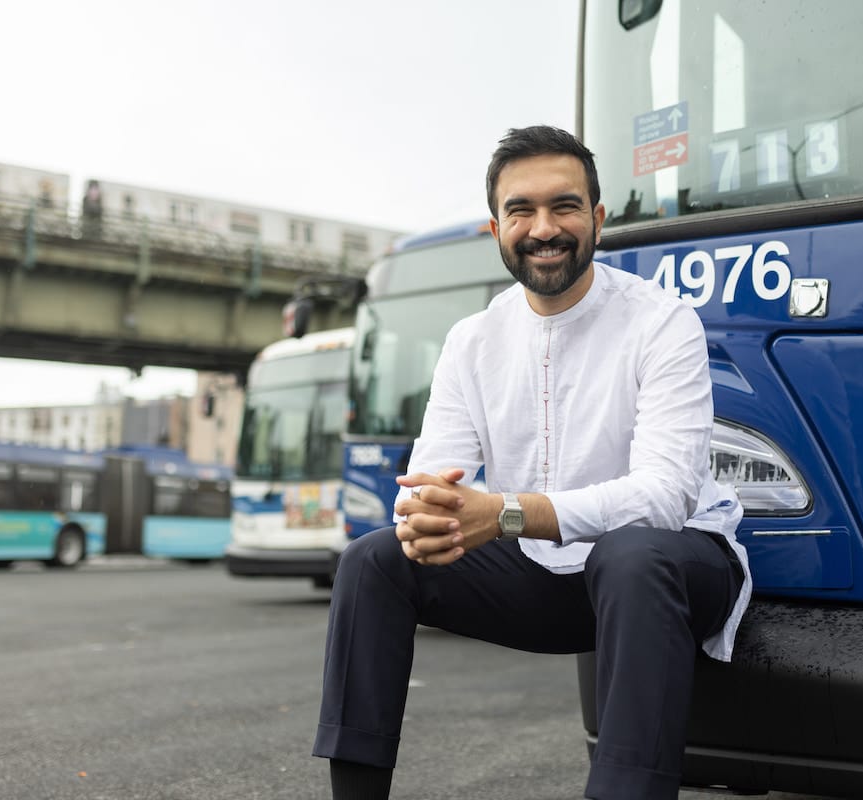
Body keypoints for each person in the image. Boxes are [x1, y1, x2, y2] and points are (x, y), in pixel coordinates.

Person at [313, 125, 751, 800]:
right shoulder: (472, 340)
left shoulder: (663, 322)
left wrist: (506, 514)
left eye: (563, 206)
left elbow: (663, 500)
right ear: (498, 229)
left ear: (597, 219)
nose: (543, 229)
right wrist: (425, 514)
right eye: (521, 211)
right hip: (544, 575)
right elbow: (432, 481)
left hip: (674, 570)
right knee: (373, 560)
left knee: (631, 553)